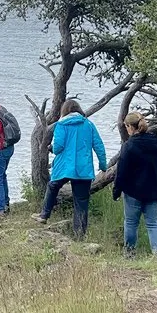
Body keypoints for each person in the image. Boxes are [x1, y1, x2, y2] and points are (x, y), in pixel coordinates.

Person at [39, 100, 107, 238]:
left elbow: (58, 147)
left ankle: (44, 214)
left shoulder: (61, 125)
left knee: (53, 186)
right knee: (81, 202)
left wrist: (51, 148)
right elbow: (99, 145)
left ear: (64, 111)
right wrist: (103, 164)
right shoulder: (88, 125)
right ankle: (79, 235)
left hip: (65, 167)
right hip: (83, 169)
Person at [112, 111, 157, 258]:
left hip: (133, 191)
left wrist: (116, 190)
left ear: (129, 127)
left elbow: (121, 171)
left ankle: (129, 253)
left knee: (131, 222)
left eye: (126, 126)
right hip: (155, 190)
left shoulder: (129, 145)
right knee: (153, 223)